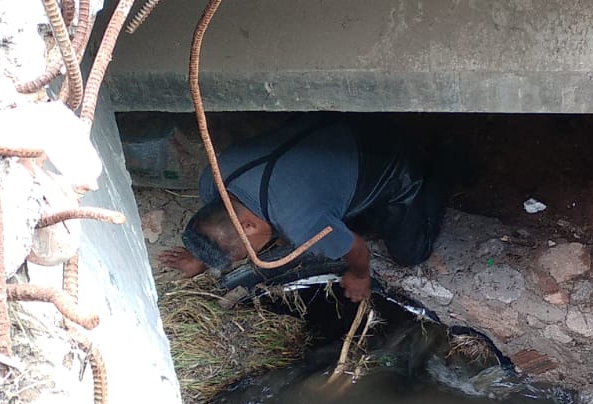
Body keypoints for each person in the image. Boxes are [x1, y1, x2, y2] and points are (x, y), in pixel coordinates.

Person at [160, 115, 449, 302]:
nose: (249, 256)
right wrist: (202, 254)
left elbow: (358, 250)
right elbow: (215, 225)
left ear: (248, 225)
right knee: (345, 217)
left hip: (385, 154)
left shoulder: (303, 224)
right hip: (330, 127)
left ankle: (442, 163)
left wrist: (360, 275)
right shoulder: (213, 181)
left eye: (243, 253)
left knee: (410, 253)